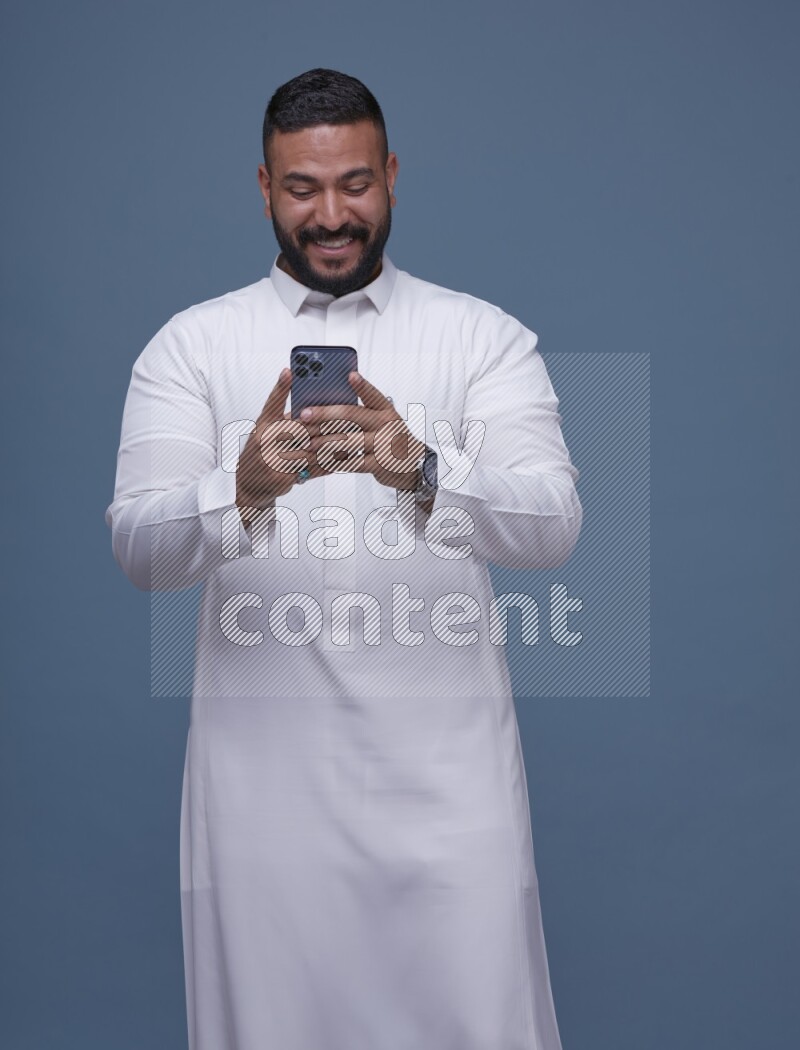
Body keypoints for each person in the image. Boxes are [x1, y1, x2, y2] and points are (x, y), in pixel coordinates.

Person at [106, 68, 582, 1050]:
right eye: (302, 188)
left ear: (393, 176)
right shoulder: (190, 348)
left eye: (354, 184)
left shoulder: (480, 338)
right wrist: (239, 489)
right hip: (263, 811)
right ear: (263, 187)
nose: (331, 214)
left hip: (453, 803)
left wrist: (417, 469)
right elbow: (139, 551)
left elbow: (550, 528)